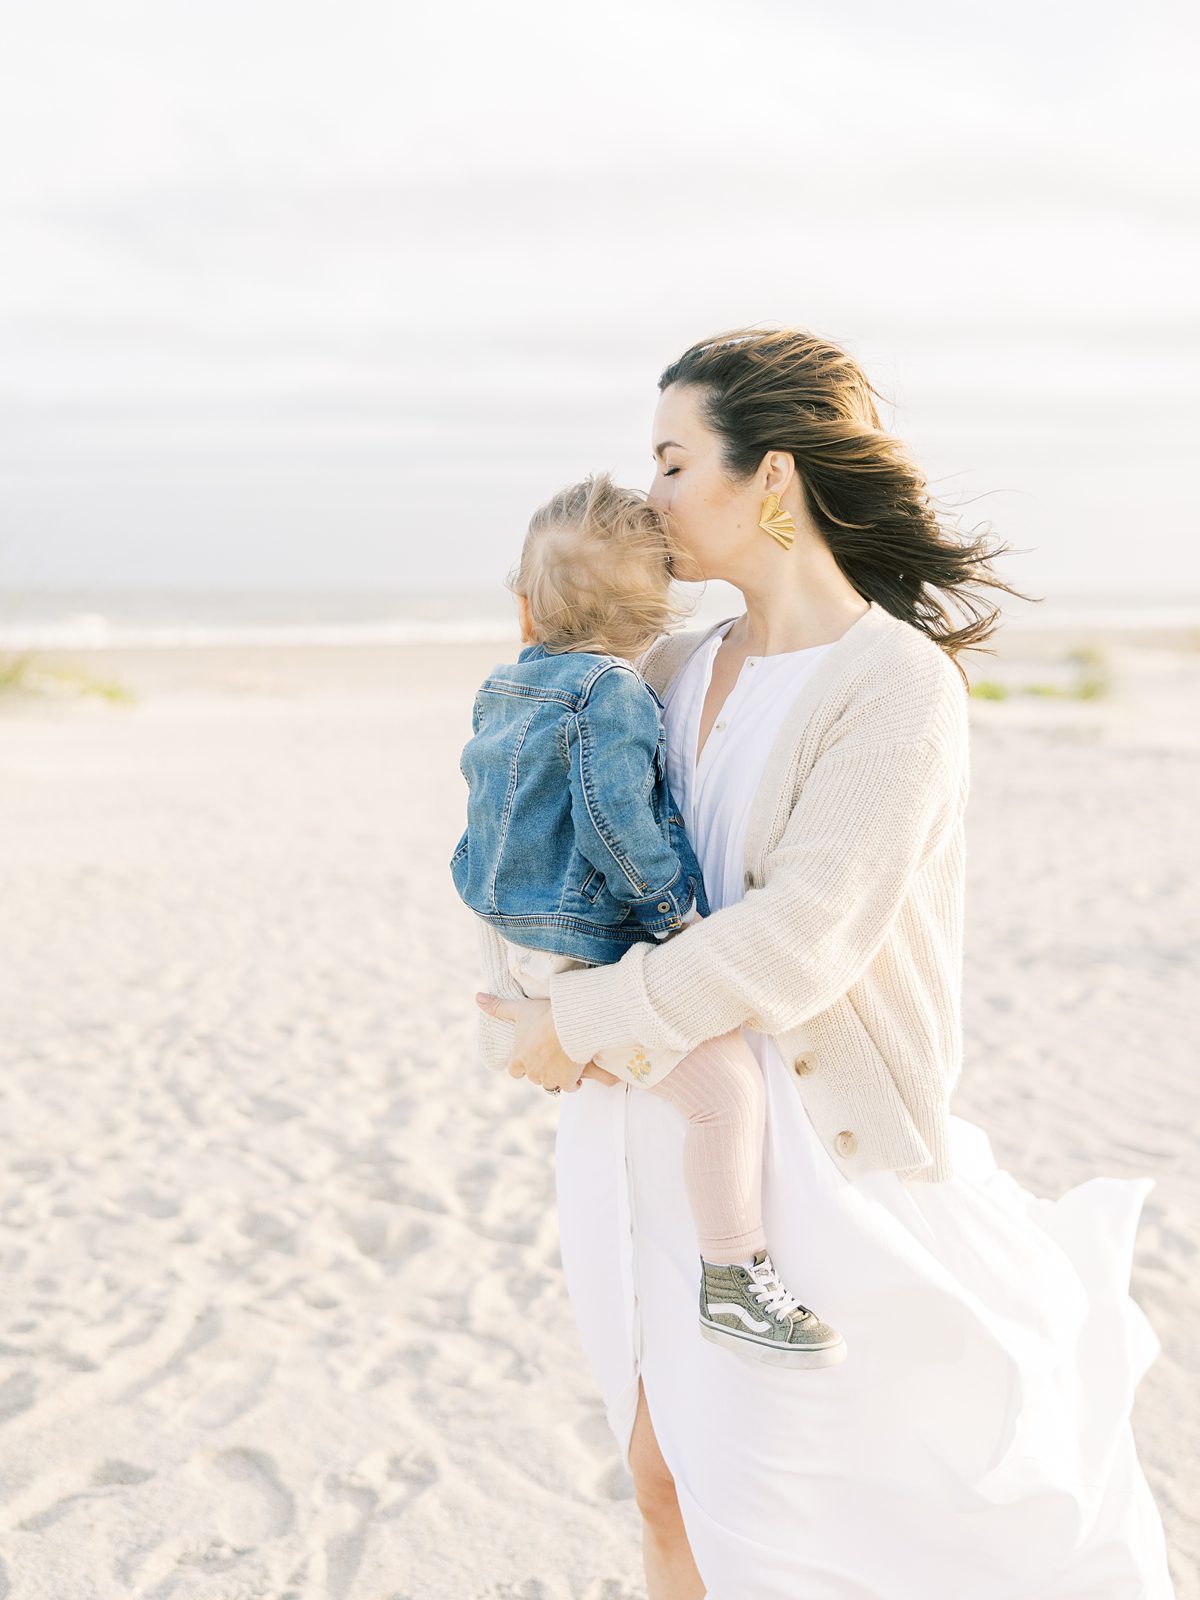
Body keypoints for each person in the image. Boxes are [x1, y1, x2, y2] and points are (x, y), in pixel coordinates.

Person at [474, 326, 1176, 1598]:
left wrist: (573, 1022)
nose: (651, 496)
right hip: (661, 1126)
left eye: (674, 462)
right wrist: (525, 998)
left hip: (816, 1165)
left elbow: (799, 941)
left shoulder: (894, 686)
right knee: (663, 1483)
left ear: (773, 479)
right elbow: (559, 843)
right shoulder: (674, 668)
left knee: (801, 1525)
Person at [452, 471, 847, 1369]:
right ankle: (734, 1276)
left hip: (518, 939)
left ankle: (537, 1032)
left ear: (524, 611)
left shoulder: (506, 688)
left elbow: (483, 813)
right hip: (587, 944)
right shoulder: (615, 696)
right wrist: (678, 920)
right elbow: (614, 824)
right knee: (725, 1100)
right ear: (652, 625)